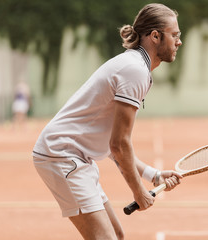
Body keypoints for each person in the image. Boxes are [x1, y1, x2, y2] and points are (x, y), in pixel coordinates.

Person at [32, 3, 183, 240]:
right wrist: (139, 192)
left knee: (117, 235)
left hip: (75, 157)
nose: (179, 42)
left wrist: (154, 176)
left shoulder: (135, 66)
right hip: (62, 154)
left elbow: (112, 143)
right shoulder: (135, 71)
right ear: (155, 36)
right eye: (174, 35)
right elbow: (119, 145)